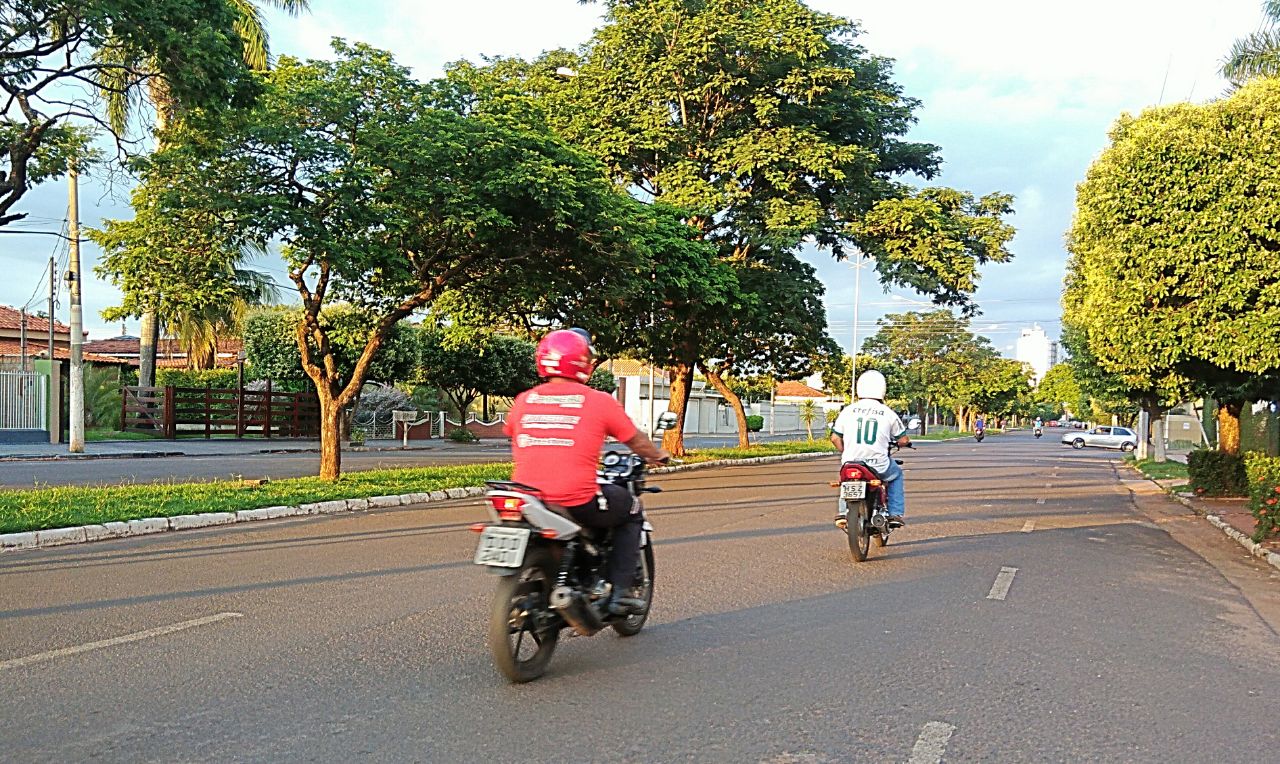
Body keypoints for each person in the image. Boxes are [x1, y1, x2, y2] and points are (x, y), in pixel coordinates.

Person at [504, 328, 669, 616]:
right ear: (583, 362)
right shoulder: (598, 401)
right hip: (574, 498)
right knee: (631, 508)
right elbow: (636, 440)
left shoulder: (523, 400)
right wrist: (658, 455)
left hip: (526, 497)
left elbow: (512, 432)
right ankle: (619, 593)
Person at [829, 370, 910, 528]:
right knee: (896, 475)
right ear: (882, 389)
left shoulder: (847, 411)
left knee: (847, 479)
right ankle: (895, 513)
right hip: (878, 465)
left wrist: (845, 452)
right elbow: (903, 439)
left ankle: (842, 512)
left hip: (851, 462)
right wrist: (903, 443)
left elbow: (834, 437)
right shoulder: (888, 413)